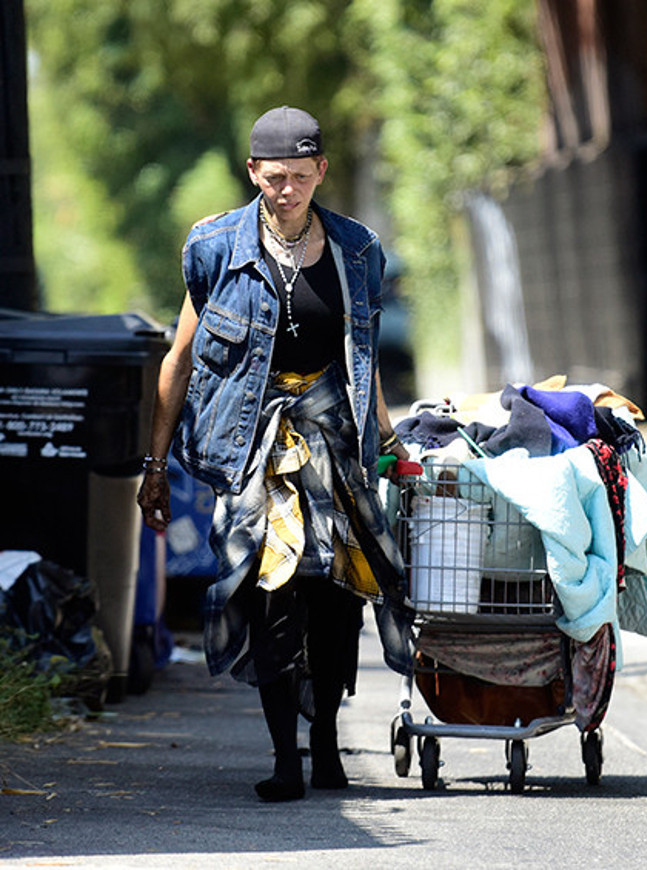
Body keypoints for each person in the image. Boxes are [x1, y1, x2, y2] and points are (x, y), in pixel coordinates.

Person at [137, 106, 413, 802]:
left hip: (333, 444)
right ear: (253, 173)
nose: (287, 190)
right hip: (252, 446)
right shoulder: (214, 248)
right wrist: (154, 465)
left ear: (321, 171)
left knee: (337, 596)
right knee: (270, 591)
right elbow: (179, 360)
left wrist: (388, 442)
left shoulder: (357, 250)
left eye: (300, 176)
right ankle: (285, 756)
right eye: (274, 177)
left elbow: (365, 357)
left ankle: (327, 748)